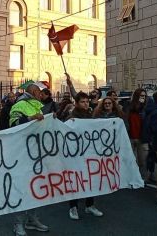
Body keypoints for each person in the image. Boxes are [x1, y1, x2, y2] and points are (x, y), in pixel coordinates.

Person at [9, 83, 49, 236]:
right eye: (39, 91)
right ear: (33, 91)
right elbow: (13, 124)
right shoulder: (19, 105)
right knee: (22, 188)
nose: (42, 94)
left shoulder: (37, 106)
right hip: (22, 153)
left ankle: (32, 219)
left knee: (36, 187)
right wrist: (31, 118)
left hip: (37, 152)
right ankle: (18, 222)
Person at [66, 92, 104, 220]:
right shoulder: (72, 116)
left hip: (89, 153)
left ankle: (90, 205)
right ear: (76, 103)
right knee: (76, 179)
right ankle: (73, 207)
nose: (86, 104)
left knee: (91, 179)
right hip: (76, 155)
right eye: (83, 102)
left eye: (87, 101)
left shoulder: (90, 115)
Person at [127, 88, 148, 180]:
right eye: (141, 96)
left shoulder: (146, 107)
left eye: (144, 96)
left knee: (142, 161)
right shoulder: (129, 106)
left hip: (142, 138)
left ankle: (143, 179)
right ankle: (131, 178)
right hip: (130, 137)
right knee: (131, 160)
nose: (143, 98)